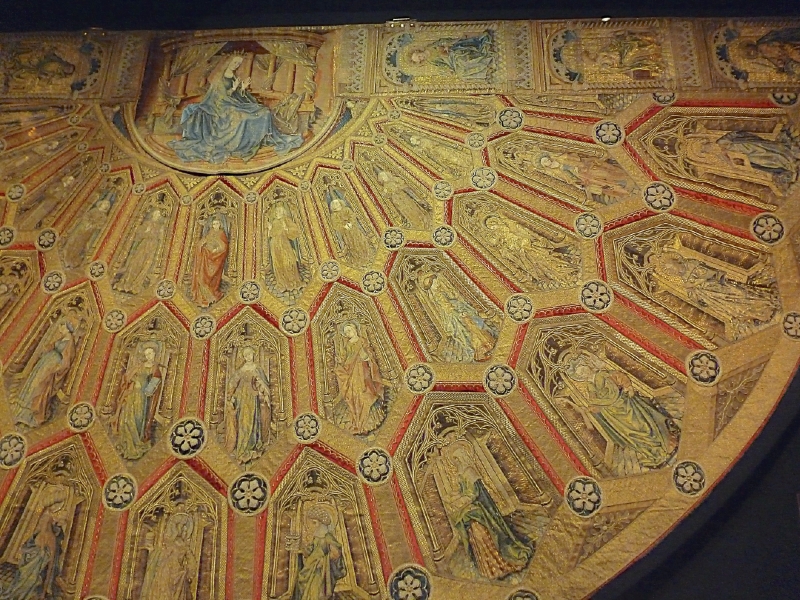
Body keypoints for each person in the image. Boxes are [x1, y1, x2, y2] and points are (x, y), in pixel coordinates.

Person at [169, 55, 303, 164]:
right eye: (235, 62)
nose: (236, 65)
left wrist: (242, 89)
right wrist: (234, 88)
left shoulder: (233, 75)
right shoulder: (219, 78)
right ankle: (242, 143)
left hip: (233, 105)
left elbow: (236, 95)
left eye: (238, 63)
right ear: (228, 62)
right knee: (244, 117)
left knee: (264, 111)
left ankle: (264, 137)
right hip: (220, 108)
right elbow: (219, 97)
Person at [562, 350, 675, 475]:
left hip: (624, 404)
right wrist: (592, 408)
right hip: (612, 414)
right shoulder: (590, 386)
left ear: (588, 366)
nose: (584, 373)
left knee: (642, 425)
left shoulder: (602, 374)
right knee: (630, 434)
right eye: (581, 373)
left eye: (584, 369)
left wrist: (628, 386)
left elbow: (618, 378)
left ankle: (664, 445)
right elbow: (595, 401)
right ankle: (653, 452)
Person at [434, 437, 532, 580]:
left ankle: (500, 562)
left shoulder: (469, 471)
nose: (456, 462)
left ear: (463, 456)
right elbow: (464, 491)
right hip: (472, 507)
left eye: (458, 458)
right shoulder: (462, 473)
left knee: (478, 528)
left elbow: (475, 493)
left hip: (481, 508)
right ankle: (488, 567)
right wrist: (456, 497)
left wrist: (462, 501)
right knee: (469, 525)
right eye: (454, 460)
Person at [417, 271, 497, 363]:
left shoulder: (440, 291)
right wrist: (457, 312)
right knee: (469, 330)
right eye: (434, 282)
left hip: (457, 309)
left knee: (474, 326)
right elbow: (446, 305)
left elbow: (452, 298)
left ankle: (487, 345)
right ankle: (481, 351)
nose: (437, 283)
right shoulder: (437, 294)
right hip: (454, 314)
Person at [11, 317, 76, 428]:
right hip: (45, 364)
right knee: (33, 384)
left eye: (62, 326)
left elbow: (67, 360)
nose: (60, 328)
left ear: (67, 328)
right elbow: (53, 346)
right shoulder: (63, 338)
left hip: (51, 368)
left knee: (40, 388)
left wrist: (56, 368)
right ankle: (21, 413)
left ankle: (32, 416)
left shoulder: (70, 342)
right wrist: (47, 348)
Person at [332, 322, 387, 434]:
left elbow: (369, 354)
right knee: (353, 394)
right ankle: (357, 422)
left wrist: (366, 356)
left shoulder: (362, 341)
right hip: (351, 372)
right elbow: (346, 358)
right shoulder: (348, 344)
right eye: (346, 332)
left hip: (362, 372)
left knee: (364, 393)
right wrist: (340, 361)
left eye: (349, 330)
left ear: (355, 329)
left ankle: (366, 422)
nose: (348, 333)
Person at [111, 345, 164, 460]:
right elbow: (127, 377)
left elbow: (155, 384)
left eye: (150, 353)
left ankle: (137, 441)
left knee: (139, 418)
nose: (148, 356)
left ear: (155, 354)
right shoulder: (139, 366)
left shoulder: (155, 369)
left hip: (143, 399)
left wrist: (149, 388)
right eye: (147, 354)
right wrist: (135, 381)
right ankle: (126, 443)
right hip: (132, 395)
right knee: (127, 418)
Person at [285, 505, 346, 600]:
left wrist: (323, 561)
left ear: (321, 524)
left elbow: (336, 554)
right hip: (310, 568)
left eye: (314, 523)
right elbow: (309, 552)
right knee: (307, 589)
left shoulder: (328, 537)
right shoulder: (316, 538)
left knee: (316, 593)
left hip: (320, 570)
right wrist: (301, 546)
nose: (312, 526)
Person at [225, 347, 272, 463]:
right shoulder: (241, 370)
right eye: (246, 355)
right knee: (243, 422)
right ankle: (242, 449)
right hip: (242, 399)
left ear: (253, 354)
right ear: (244, 357)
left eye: (250, 354)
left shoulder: (257, 368)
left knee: (254, 421)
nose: (249, 357)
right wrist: (231, 396)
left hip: (253, 399)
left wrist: (262, 387)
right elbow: (233, 382)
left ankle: (253, 446)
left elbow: (264, 383)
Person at [139, 512, 198, 600]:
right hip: (163, 574)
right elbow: (158, 555)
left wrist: (189, 574)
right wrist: (151, 550)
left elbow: (191, 561)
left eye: (184, 526)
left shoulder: (184, 546)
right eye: (180, 525)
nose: (183, 529)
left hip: (177, 576)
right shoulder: (167, 542)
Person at [113, 206, 168, 295]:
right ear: (152, 215)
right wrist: (146, 232)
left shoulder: (159, 227)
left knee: (146, 264)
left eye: (158, 215)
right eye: (155, 214)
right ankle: (127, 281)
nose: (156, 216)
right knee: (136, 262)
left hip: (152, 247)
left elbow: (160, 239)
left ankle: (137, 284)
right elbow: (139, 235)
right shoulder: (146, 223)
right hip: (143, 245)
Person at [266, 203, 305, 294]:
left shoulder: (286, 220)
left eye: (279, 211)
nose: (277, 213)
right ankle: (282, 284)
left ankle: (293, 282)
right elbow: (271, 235)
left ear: (283, 212)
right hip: (274, 245)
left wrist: (286, 229)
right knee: (278, 263)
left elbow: (295, 231)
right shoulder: (274, 222)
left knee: (289, 261)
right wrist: (270, 229)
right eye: (276, 211)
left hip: (284, 243)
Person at [191, 215, 229, 307]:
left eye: (217, 224)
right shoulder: (211, 232)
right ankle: (202, 297)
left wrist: (215, 251)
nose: (215, 225)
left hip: (215, 259)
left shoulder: (221, 233)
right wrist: (200, 245)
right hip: (205, 258)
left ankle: (211, 295)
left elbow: (224, 247)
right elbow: (205, 240)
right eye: (214, 224)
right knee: (202, 276)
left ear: (220, 224)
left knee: (210, 278)